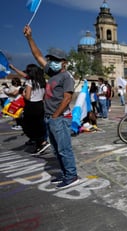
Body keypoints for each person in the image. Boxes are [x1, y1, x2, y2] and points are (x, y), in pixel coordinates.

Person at [23, 25, 80, 189]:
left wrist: (55, 115)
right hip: (50, 117)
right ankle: (65, 173)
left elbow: (67, 98)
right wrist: (29, 38)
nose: (51, 63)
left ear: (64, 63)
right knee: (56, 150)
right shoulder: (53, 73)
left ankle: (71, 175)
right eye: (51, 60)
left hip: (60, 118)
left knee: (64, 149)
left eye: (55, 60)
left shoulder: (66, 77)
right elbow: (38, 55)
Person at [10, 63, 50, 155]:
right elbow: (44, 96)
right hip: (40, 105)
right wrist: (14, 68)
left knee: (27, 126)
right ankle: (40, 145)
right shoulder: (42, 81)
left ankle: (41, 142)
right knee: (38, 125)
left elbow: (27, 97)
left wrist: (21, 92)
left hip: (31, 106)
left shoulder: (30, 82)